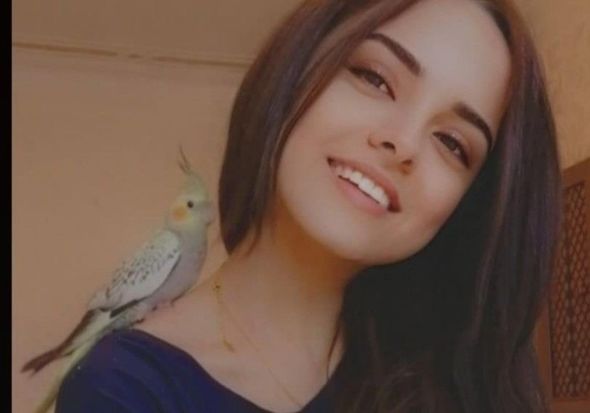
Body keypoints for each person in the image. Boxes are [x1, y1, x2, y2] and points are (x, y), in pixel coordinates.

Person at [54, 0, 562, 411]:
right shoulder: (123, 387)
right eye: (375, 79)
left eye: (452, 143)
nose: (403, 143)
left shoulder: (461, 382)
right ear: (296, 70)